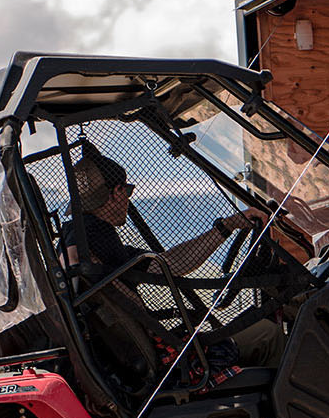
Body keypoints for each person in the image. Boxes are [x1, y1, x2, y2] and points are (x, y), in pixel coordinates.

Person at [62, 145, 288, 370]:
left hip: (137, 361)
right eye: (128, 191)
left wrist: (225, 227)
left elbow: (169, 264)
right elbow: (165, 267)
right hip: (163, 364)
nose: (128, 199)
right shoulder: (93, 236)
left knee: (253, 326)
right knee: (268, 333)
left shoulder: (84, 237)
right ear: (116, 193)